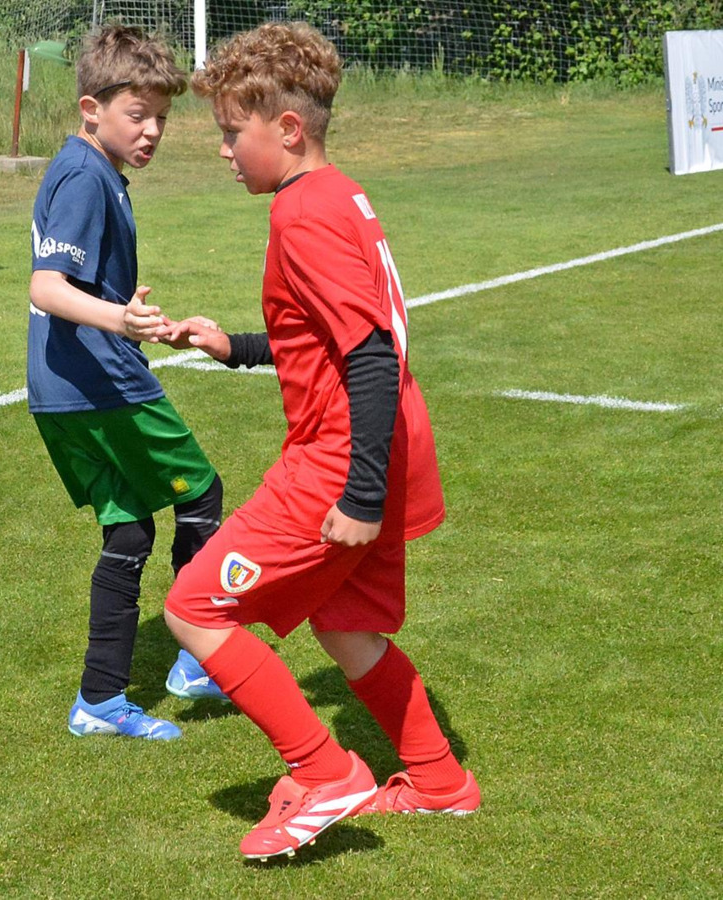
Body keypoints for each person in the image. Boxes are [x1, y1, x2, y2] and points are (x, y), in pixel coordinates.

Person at [161, 21, 480, 858]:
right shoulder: (342, 194)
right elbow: (333, 336)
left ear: (288, 128)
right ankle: (440, 781)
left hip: (341, 458)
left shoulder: (300, 214)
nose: (224, 151)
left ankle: (324, 771)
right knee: (345, 626)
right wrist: (238, 347)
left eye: (233, 132)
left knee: (194, 608)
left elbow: (367, 353)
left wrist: (359, 493)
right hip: (390, 442)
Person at [27, 24, 228, 741]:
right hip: (101, 384)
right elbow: (47, 287)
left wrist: (133, 318)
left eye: (162, 118)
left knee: (130, 528)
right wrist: (120, 320)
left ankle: (100, 701)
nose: (152, 132)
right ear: (92, 108)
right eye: (137, 115)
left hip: (60, 388)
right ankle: (199, 658)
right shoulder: (85, 176)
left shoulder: (88, 168)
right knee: (201, 495)